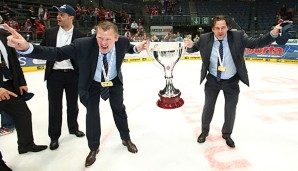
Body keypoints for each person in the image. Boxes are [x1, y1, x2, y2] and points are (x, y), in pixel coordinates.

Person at [4, 20, 149, 167]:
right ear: (95, 35)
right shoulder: (83, 44)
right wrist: (28, 48)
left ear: (116, 38)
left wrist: (138, 48)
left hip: (113, 82)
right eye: (100, 38)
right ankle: (93, 148)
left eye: (108, 39)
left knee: (119, 109)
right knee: (92, 114)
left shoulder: (122, 42)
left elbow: (130, 48)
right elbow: (57, 53)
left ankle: (126, 138)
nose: (103, 43)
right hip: (92, 84)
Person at [183, 15, 289, 148]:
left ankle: (227, 134)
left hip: (231, 81)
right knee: (208, 108)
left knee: (230, 109)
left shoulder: (238, 36)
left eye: (223, 27)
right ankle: (204, 131)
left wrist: (273, 34)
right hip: (212, 80)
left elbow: (256, 43)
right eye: (217, 28)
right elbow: (193, 48)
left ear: (228, 27)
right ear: (212, 29)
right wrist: (190, 45)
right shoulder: (205, 38)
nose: (220, 31)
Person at [40, 4, 86, 151]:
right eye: (58, 14)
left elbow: (84, 57)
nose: (58, 17)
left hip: (73, 75)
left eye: (62, 14)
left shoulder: (80, 35)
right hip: (54, 75)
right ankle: (54, 136)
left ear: (71, 17)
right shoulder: (49, 33)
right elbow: (41, 50)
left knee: (73, 105)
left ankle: (73, 128)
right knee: (54, 107)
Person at [0, 28, 47, 155]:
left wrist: (21, 82)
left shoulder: (5, 35)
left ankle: (26, 145)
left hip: (9, 85)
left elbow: (14, 61)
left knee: (23, 114)